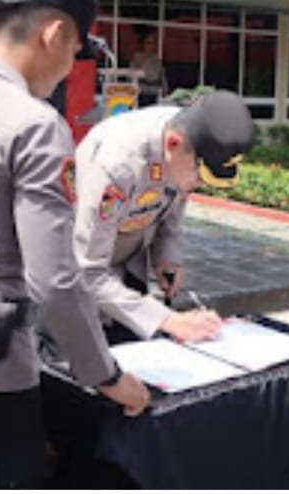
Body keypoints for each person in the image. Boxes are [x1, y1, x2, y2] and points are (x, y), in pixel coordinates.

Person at [0, 0, 150, 488]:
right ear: (54, 34)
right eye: (74, 55)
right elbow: (55, 279)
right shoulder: (33, 125)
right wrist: (105, 375)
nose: (68, 71)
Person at [73, 90, 254, 344]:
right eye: (200, 176)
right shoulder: (117, 166)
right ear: (172, 144)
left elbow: (170, 206)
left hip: (128, 262)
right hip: (76, 276)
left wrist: (167, 259)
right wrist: (169, 320)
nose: (200, 184)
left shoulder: (188, 138)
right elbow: (88, 271)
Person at [130, 24, 166, 106]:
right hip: (141, 89)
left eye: (152, 43)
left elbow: (162, 74)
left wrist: (165, 88)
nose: (151, 46)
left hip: (154, 89)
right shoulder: (137, 57)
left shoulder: (156, 58)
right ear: (143, 44)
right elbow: (131, 73)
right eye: (148, 43)